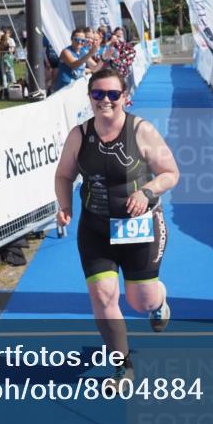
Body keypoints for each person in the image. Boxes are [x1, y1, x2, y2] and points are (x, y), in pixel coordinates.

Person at [54, 67, 180, 389]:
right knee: (103, 296)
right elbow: (63, 176)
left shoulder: (142, 131)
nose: (105, 101)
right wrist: (65, 205)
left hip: (140, 228)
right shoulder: (79, 136)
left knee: (141, 302)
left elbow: (170, 172)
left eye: (113, 94)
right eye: (98, 94)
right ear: (90, 97)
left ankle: (159, 301)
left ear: (125, 97)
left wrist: (147, 192)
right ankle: (122, 366)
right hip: (95, 230)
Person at [50, 28, 99, 94]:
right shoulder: (66, 52)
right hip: (63, 89)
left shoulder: (83, 52)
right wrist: (90, 53)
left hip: (76, 88)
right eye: (77, 39)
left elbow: (95, 68)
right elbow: (74, 65)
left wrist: (105, 57)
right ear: (72, 39)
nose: (79, 42)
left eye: (82, 40)